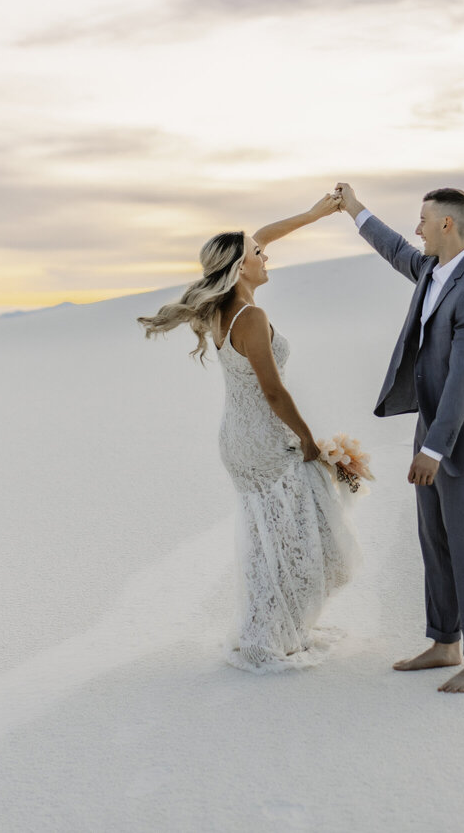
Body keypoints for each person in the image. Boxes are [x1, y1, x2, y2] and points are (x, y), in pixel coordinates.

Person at [138, 192, 359, 672]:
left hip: (237, 441)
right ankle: (269, 635)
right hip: (265, 440)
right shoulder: (251, 317)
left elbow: (264, 235)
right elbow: (273, 393)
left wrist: (314, 215)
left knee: (268, 541)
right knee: (294, 541)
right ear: (241, 268)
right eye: (257, 254)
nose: (265, 253)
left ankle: (270, 627)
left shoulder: (221, 311)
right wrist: (308, 439)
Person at [333, 183, 464, 694]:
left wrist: (434, 449)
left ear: (446, 225)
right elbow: (396, 251)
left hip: (463, 439)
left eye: (423, 220)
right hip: (429, 429)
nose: (417, 229)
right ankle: (444, 641)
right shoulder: (435, 268)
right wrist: (354, 209)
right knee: (434, 539)